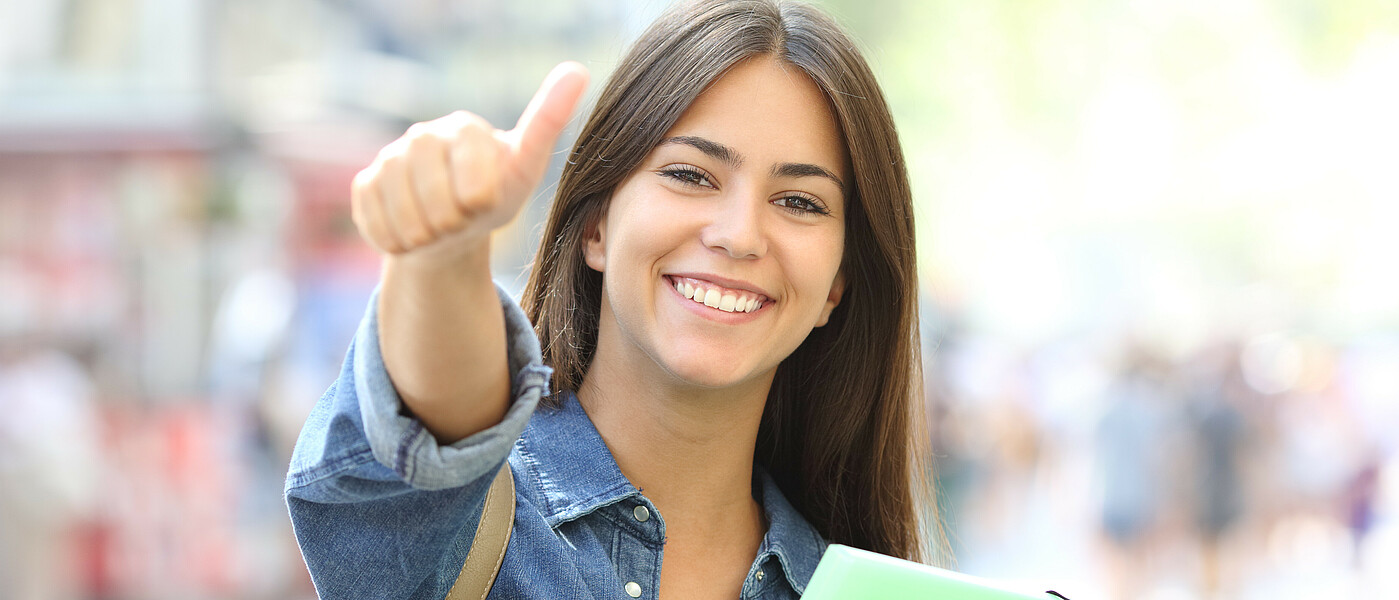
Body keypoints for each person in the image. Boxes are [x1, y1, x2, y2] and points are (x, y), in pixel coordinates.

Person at [285, 1, 938, 598]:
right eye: (689, 175)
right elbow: (437, 434)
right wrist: (445, 252)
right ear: (596, 226)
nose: (738, 235)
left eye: (799, 202)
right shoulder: (460, 531)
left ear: (837, 286)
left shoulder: (860, 586)